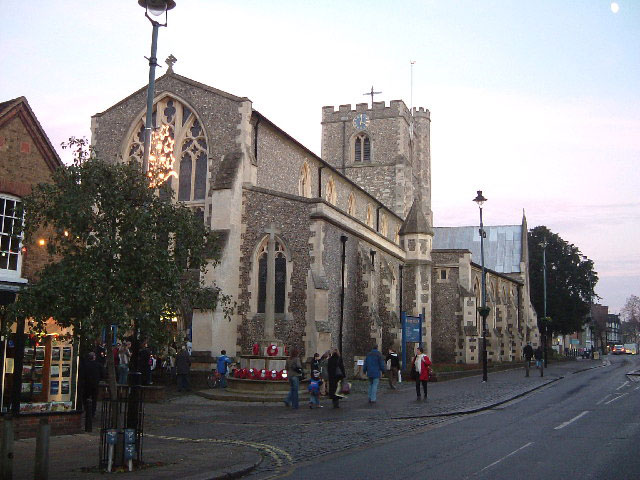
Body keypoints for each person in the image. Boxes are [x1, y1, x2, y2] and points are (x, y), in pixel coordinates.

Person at [83, 352, 102, 418]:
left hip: (87, 384)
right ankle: (93, 412)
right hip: (95, 384)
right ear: (94, 357)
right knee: (94, 399)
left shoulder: (85, 365)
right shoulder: (98, 365)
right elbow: (103, 373)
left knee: (86, 397)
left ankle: (87, 411)